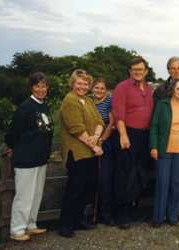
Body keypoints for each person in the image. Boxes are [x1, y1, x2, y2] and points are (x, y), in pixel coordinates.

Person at [5, 72, 53, 241]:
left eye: (44, 86)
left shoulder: (43, 105)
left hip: (40, 158)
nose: (41, 89)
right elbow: (12, 133)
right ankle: (17, 230)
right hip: (26, 159)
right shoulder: (25, 107)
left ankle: (31, 225)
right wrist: (12, 147)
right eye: (37, 86)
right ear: (32, 87)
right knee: (24, 196)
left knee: (36, 194)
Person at [58, 69, 104, 238]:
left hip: (89, 152)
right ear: (73, 84)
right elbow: (76, 128)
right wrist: (95, 146)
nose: (82, 86)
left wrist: (96, 136)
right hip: (77, 152)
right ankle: (65, 225)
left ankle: (77, 219)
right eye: (79, 83)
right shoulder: (70, 100)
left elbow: (100, 121)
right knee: (74, 189)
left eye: (85, 84)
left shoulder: (88, 100)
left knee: (86, 188)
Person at [112, 56, 154, 228]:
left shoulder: (150, 89)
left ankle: (134, 208)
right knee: (125, 174)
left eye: (141, 70)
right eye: (134, 69)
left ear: (146, 71)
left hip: (145, 136)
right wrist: (123, 135)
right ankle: (121, 214)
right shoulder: (122, 87)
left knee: (141, 174)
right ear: (130, 71)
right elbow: (118, 113)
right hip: (128, 134)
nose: (137, 72)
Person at [153, 56, 179, 221]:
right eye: (173, 68)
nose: (176, 71)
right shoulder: (160, 92)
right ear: (168, 70)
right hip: (165, 143)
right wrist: (154, 145)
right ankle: (159, 215)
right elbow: (155, 122)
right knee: (163, 182)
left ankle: (178, 209)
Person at [91, 78, 115, 226]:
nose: (99, 90)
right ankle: (92, 212)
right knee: (92, 179)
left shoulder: (109, 101)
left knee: (105, 179)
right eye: (96, 88)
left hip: (106, 141)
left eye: (102, 88)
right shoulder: (87, 101)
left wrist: (102, 140)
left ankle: (106, 213)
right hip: (90, 142)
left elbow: (112, 122)